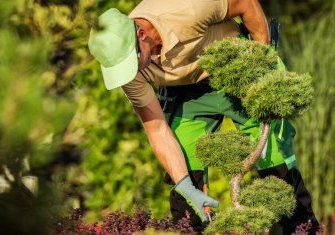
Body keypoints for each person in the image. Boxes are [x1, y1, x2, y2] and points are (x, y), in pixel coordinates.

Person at [88, 0, 319, 233]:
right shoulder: (128, 71)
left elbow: (246, 4)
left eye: (132, 61)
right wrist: (186, 187)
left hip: (235, 67)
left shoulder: (186, 8)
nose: (132, 71)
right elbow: (156, 128)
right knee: (184, 192)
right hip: (185, 92)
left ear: (141, 34)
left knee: (277, 168)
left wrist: (263, 61)